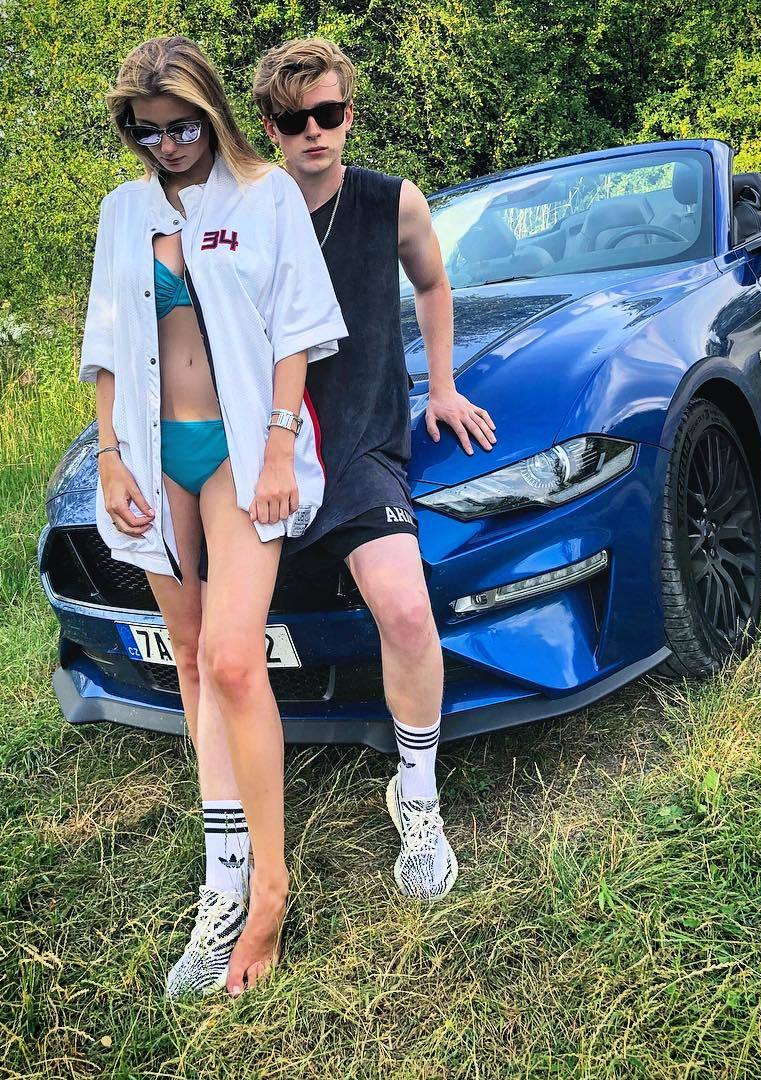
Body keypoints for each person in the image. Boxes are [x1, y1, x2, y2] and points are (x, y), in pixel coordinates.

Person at [78, 36, 347, 999]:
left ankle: (270, 892)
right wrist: (109, 455)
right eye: (148, 133)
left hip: (241, 450)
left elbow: (297, 332)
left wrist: (278, 445)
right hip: (155, 457)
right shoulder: (123, 213)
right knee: (190, 658)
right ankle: (223, 877)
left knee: (235, 661)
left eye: (184, 126)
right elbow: (108, 343)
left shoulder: (265, 194)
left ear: (214, 113)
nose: (169, 146)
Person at [244, 37, 496, 902]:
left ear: (349, 113)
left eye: (328, 113)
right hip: (263, 454)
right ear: (271, 128)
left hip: (358, 444)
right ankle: (233, 835)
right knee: (217, 632)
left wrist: (443, 386)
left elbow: (432, 286)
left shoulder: (393, 201)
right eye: (294, 119)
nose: (313, 131)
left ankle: (417, 796)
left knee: (407, 609)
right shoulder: (247, 209)